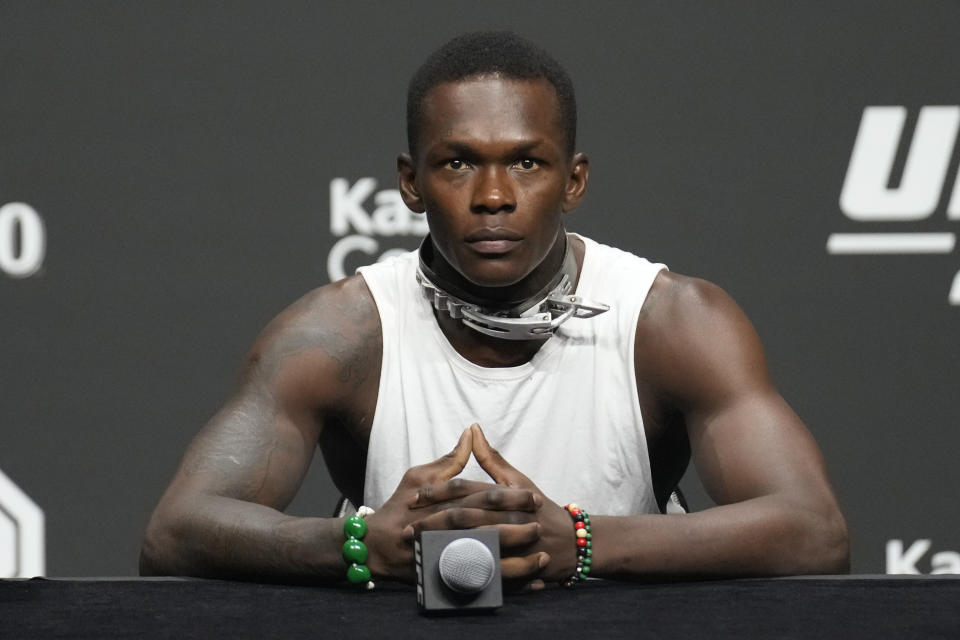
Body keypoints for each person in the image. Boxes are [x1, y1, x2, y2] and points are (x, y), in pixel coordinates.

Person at [140, 31, 848, 588]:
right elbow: (175, 532)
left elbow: (814, 531)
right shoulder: (340, 335)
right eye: (457, 163)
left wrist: (577, 542)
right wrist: (355, 544)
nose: (493, 196)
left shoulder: (669, 323)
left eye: (527, 163)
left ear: (573, 181)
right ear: (410, 184)